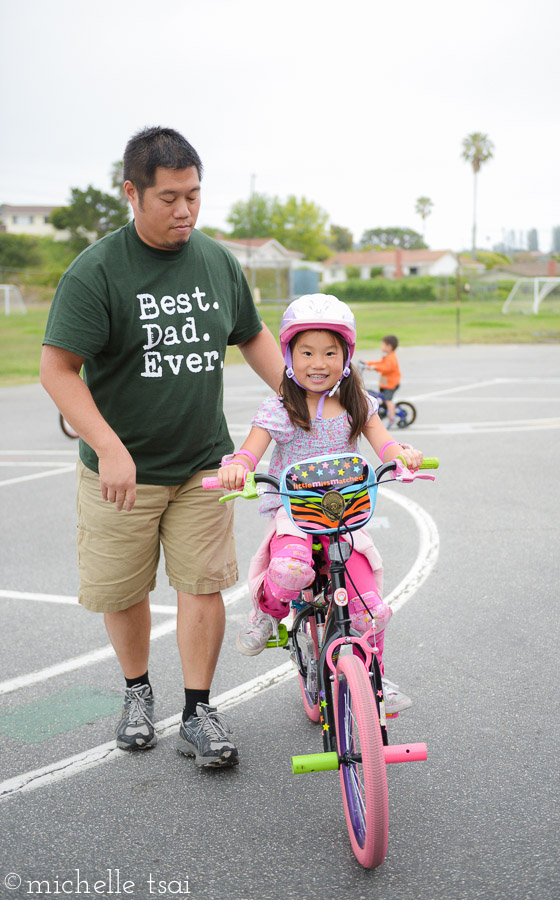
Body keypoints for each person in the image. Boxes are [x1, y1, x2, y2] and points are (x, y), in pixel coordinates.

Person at [40, 126, 283, 768]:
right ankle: (137, 693)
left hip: (205, 461)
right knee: (123, 592)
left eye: (195, 196)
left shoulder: (216, 260)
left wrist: (302, 397)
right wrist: (109, 446)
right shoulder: (96, 272)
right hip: (122, 472)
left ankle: (199, 711)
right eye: (170, 198)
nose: (185, 211)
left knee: (202, 586)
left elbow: (251, 334)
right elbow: (58, 369)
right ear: (132, 193)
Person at [216, 294, 423, 714]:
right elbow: (250, 451)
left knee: (373, 611)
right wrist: (238, 467)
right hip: (296, 515)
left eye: (330, 352)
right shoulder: (280, 408)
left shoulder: (358, 403)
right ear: (288, 355)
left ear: (345, 356)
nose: (318, 362)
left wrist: (399, 454)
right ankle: (265, 612)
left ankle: (375, 679)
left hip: (345, 518)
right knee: (290, 569)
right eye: (306, 351)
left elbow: (383, 442)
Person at [361, 334, 401, 427]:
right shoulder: (387, 356)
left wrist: (375, 368)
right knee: (383, 399)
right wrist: (368, 363)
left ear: (389, 347)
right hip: (385, 383)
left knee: (388, 400)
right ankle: (386, 412)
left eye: (383, 345)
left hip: (390, 384)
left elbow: (386, 368)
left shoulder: (391, 358)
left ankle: (392, 419)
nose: (381, 346)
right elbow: (380, 363)